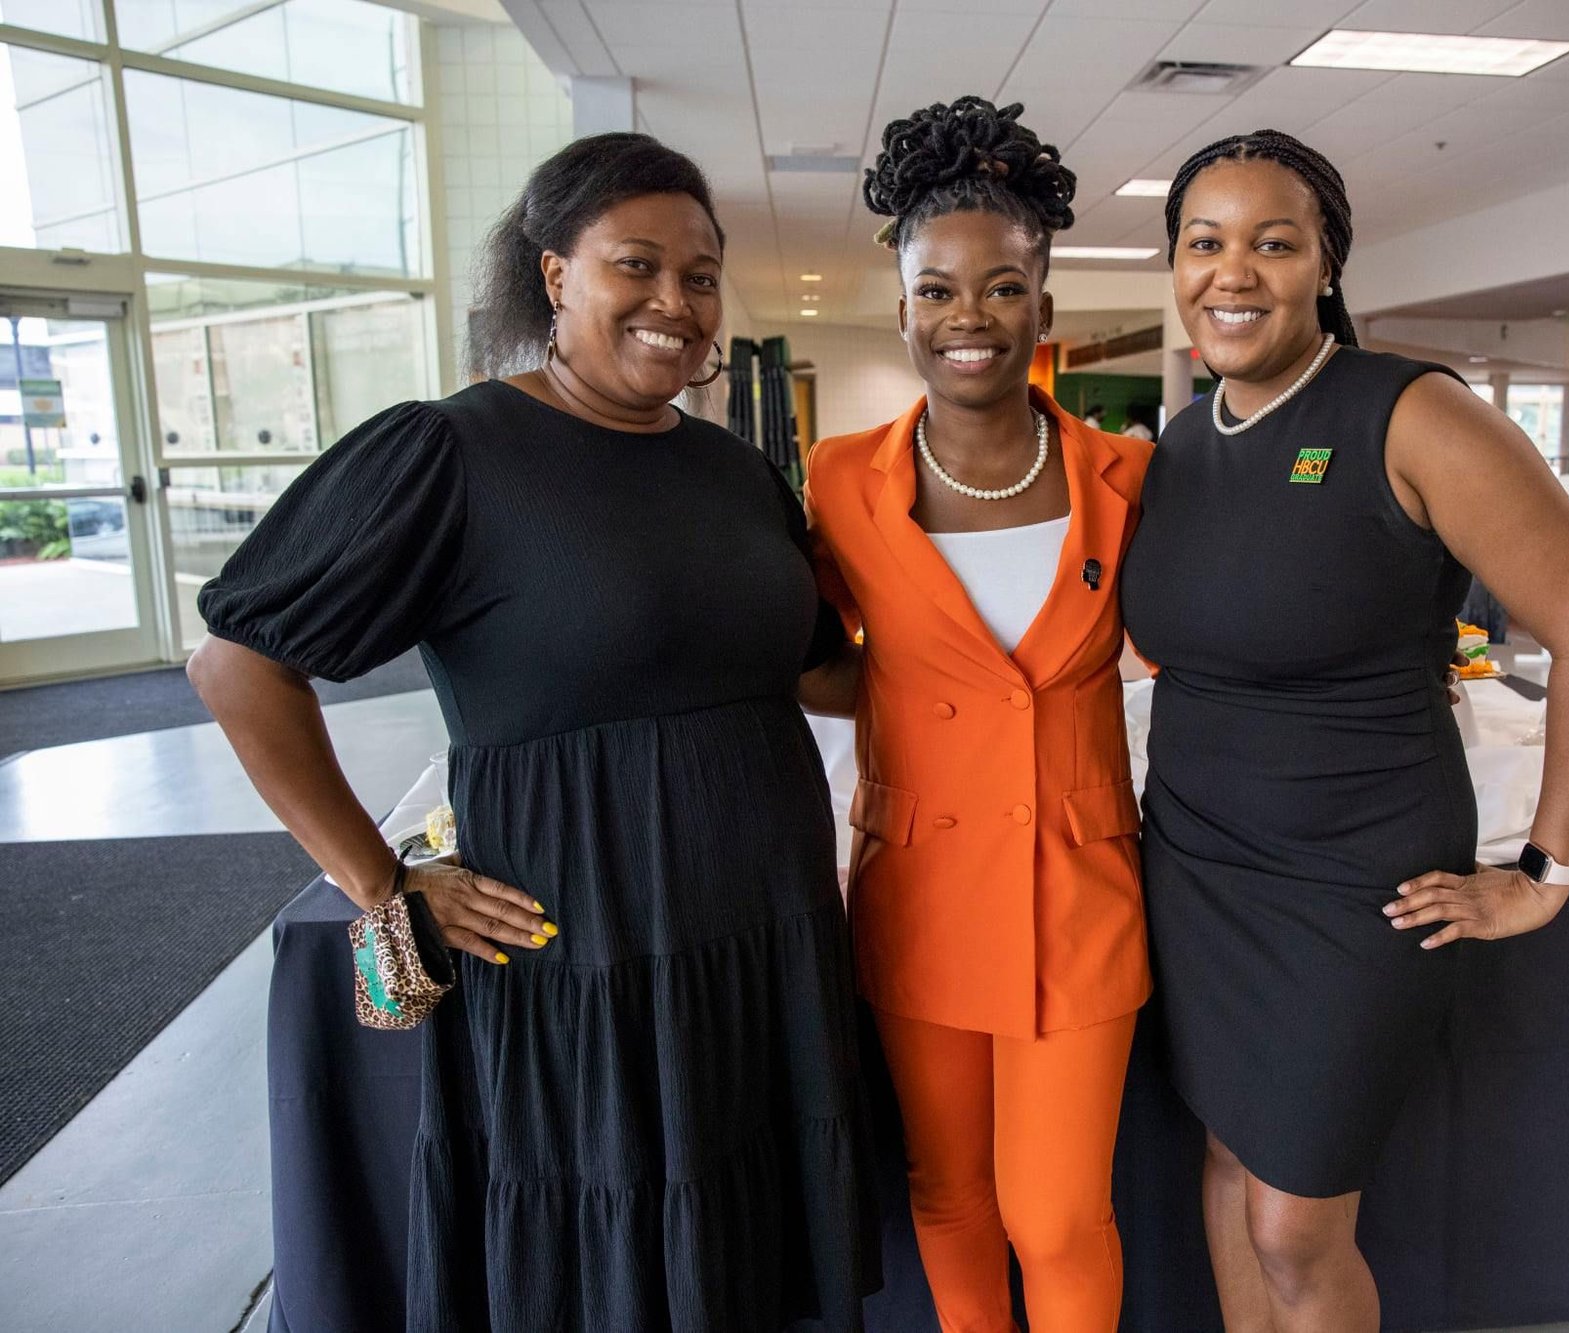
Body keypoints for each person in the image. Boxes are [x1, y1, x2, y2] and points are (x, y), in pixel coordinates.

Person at [187, 133, 877, 1332]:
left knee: (743, 1265)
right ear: (554, 274)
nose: (676, 302)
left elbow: (819, 673)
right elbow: (239, 663)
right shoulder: (451, 453)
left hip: (761, 938)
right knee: (600, 1275)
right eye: (637, 266)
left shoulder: (736, 473)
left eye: (701, 274)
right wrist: (381, 878)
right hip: (583, 953)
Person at [1120, 130, 1569, 1332]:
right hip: (1196, 866)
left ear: (1325, 264)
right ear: (1176, 264)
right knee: (1230, 1159)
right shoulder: (1185, 442)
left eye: (1272, 242)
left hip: (1353, 878)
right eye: (1204, 242)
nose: (1231, 271)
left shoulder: (1408, 413)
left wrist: (1543, 872)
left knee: (1295, 1221)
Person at [806, 96, 1150, 1333]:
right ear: (899, 309)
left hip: (1079, 886)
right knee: (946, 1192)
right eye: (937, 290)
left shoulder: (1126, 478)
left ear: (1042, 308)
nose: (968, 317)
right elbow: (801, 652)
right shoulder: (842, 479)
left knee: (1055, 1214)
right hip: (920, 883)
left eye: (1001, 288)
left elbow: (1204, 640)